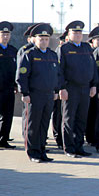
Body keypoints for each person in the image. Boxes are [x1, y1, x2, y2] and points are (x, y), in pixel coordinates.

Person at [17, 23, 59, 164]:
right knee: (33, 125)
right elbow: (22, 76)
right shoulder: (29, 55)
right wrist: (25, 93)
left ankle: (42, 151)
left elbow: (56, 75)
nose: (44, 41)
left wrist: (55, 91)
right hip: (34, 95)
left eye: (46, 39)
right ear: (34, 39)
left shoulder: (52, 55)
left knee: (43, 125)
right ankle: (33, 153)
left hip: (48, 95)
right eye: (41, 38)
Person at [58, 21, 97, 157]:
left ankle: (79, 146)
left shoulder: (87, 48)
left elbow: (93, 68)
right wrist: (62, 88)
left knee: (81, 119)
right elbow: (60, 70)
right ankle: (69, 148)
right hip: (70, 88)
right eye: (75, 32)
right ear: (69, 34)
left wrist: (93, 85)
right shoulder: (64, 49)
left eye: (80, 32)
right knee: (69, 119)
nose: (78, 35)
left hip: (85, 88)